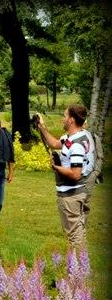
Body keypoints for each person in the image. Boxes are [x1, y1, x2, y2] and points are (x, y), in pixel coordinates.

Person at [36, 104, 95, 249]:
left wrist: (56, 167)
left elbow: (75, 174)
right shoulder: (78, 136)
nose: (63, 119)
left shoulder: (76, 145)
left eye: (65, 116)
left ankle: (76, 270)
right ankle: (81, 266)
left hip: (71, 195)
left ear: (72, 120)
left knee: (74, 235)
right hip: (80, 191)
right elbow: (55, 143)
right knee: (79, 231)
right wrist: (42, 127)